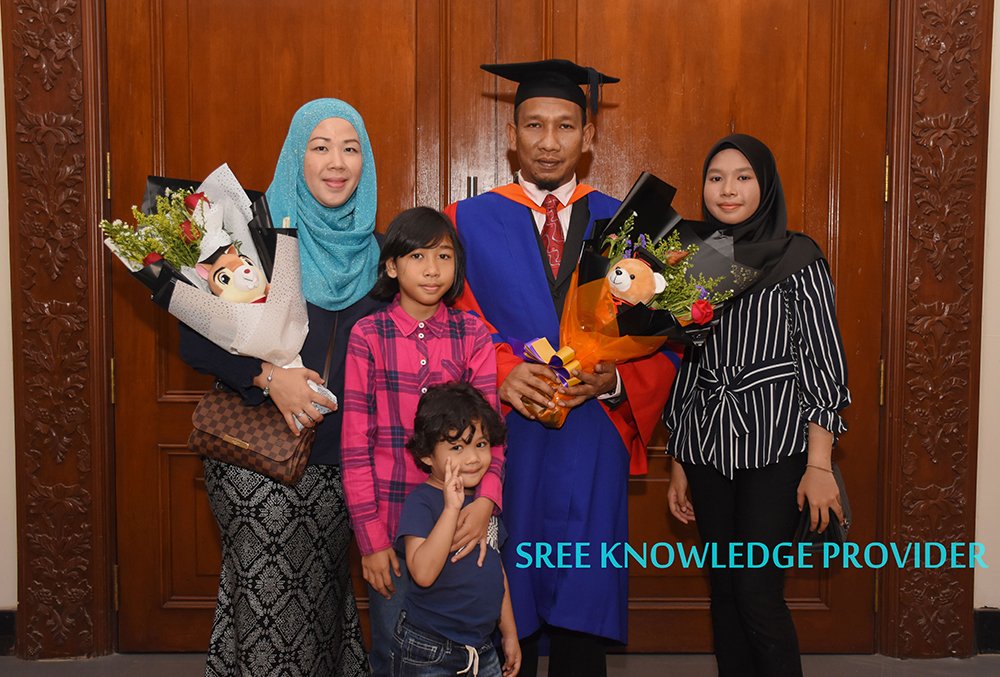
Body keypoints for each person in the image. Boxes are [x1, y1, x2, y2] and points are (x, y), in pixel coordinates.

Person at [445, 59, 682, 677]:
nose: (549, 142)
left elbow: (669, 337)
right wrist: (499, 371)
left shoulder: (629, 224)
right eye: (534, 125)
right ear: (512, 135)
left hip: (591, 436)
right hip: (503, 437)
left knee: (582, 602)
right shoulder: (465, 221)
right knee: (505, 602)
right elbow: (446, 323)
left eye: (565, 126)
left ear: (589, 135)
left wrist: (617, 380)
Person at [178, 98, 380, 677]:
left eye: (350, 148)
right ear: (296, 156)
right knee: (273, 617)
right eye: (320, 147)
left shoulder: (381, 253)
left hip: (342, 467)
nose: (336, 162)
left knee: (322, 612)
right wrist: (271, 379)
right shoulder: (254, 238)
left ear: (365, 163)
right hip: (260, 461)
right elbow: (196, 335)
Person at [664, 133, 851, 677]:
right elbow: (689, 363)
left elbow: (823, 363)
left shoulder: (799, 257)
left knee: (755, 589)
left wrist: (820, 466)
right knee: (724, 590)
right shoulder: (697, 260)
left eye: (743, 177)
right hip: (705, 448)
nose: (728, 189)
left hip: (777, 450)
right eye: (716, 177)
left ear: (765, 186)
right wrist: (678, 459)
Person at [341, 207, 506, 675]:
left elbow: (493, 435)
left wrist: (486, 503)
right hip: (392, 528)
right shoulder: (368, 335)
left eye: (444, 256)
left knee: (468, 647)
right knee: (396, 652)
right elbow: (355, 446)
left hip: (462, 524)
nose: (432, 269)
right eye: (417, 256)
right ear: (392, 266)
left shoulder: (472, 333)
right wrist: (371, 542)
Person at [391, 382, 521, 677]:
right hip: (429, 651)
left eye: (481, 444)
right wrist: (451, 509)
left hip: (482, 649)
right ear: (427, 455)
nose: (473, 458)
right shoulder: (422, 502)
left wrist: (510, 633)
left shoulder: (483, 507)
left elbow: (495, 572)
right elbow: (423, 573)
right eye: (457, 447)